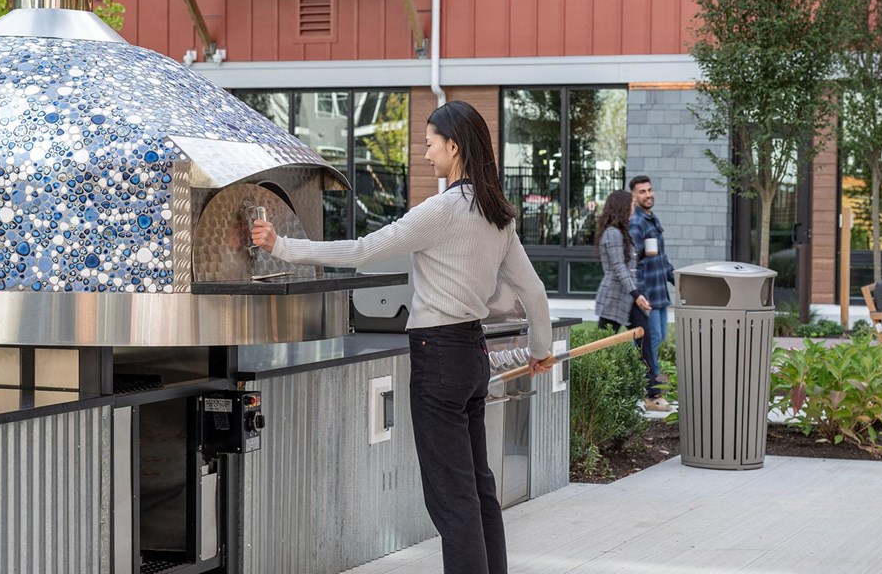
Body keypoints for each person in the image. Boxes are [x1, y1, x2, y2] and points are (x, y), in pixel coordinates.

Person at [251, 100, 552, 574]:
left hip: (438, 357)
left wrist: (282, 246)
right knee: (478, 487)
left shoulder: (442, 210)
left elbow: (365, 250)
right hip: (471, 355)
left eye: (430, 143)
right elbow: (534, 292)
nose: (426, 153)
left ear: (453, 146)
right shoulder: (499, 215)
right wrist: (541, 351)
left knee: (452, 499)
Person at [593, 190, 664, 408]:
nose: (634, 209)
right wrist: (637, 295)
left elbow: (627, 265)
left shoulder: (621, 232)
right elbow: (618, 269)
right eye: (631, 205)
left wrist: (641, 254)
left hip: (628, 297)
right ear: (622, 207)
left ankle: (652, 395)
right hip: (615, 298)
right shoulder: (613, 233)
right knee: (602, 347)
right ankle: (595, 392)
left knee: (645, 341)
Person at [628, 175, 675, 412]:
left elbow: (663, 260)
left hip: (660, 293)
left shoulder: (652, 220)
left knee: (658, 339)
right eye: (642, 191)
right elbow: (632, 261)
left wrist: (678, 280)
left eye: (649, 190)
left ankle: (648, 387)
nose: (648, 194)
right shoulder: (636, 223)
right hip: (647, 295)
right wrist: (639, 295)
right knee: (651, 342)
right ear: (634, 197)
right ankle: (652, 394)